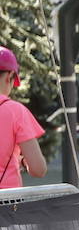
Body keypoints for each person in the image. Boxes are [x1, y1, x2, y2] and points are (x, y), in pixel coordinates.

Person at [0, 48, 45, 189]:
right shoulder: (16, 111)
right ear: (10, 76)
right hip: (7, 202)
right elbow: (38, 169)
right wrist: (24, 160)